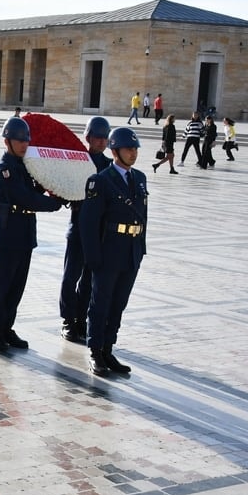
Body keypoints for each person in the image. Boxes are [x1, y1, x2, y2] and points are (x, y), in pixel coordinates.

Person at [0, 117, 64, 352]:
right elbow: (24, 197)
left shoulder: (25, 166)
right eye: (19, 141)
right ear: (7, 141)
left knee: (18, 284)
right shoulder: (4, 169)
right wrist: (53, 203)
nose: (24, 145)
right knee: (3, 283)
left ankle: (7, 328)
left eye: (26, 141)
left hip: (25, 230)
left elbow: (35, 189)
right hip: (10, 231)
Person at [80, 126, 148, 376]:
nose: (133, 153)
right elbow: (88, 223)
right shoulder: (101, 180)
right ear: (115, 150)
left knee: (119, 303)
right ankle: (95, 351)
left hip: (131, 251)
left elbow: (144, 216)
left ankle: (109, 349)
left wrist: (141, 248)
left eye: (135, 148)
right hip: (108, 252)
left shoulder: (139, 178)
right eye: (129, 149)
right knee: (100, 303)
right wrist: (93, 257)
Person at [59, 117, 113, 344]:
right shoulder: (77, 161)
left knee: (90, 280)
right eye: (97, 137)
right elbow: (65, 190)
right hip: (79, 229)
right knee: (71, 277)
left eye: (104, 138)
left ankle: (82, 319)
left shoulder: (110, 166)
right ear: (88, 138)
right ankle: (68, 320)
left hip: (99, 233)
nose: (100, 142)